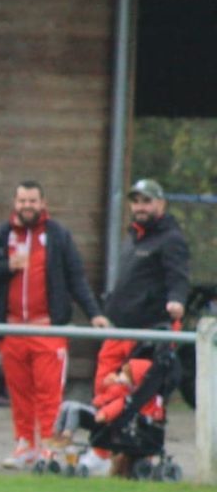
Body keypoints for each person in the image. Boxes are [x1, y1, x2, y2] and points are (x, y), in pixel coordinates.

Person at [0, 181, 109, 467]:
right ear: (15, 203)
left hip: (47, 328)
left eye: (32, 201)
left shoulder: (58, 235)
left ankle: (50, 446)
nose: (27, 206)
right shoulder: (2, 234)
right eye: (22, 201)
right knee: (20, 394)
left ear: (43, 203)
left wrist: (94, 312)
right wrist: (6, 267)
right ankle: (24, 446)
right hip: (11, 329)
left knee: (49, 394)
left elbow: (76, 277)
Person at [85, 179, 192, 476]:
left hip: (147, 334)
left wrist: (176, 301)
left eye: (146, 201)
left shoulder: (171, 239)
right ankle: (100, 450)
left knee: (135, 396)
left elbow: (178, 277)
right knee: (104, 391)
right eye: (136, 201)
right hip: (119, 330)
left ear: (160, 205)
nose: (140, 207)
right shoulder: (133, 238)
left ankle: (131, 455)